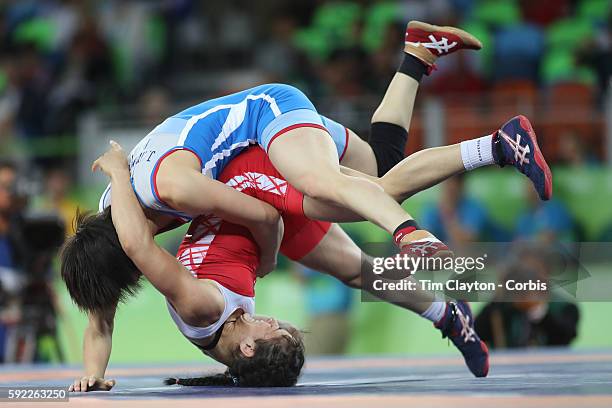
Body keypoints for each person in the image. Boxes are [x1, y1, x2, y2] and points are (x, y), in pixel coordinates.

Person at [63, 21, 553, 390]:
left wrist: (118, 168)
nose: (278, 322)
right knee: (377, 180)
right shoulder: (113, 231)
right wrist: (91, 378)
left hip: (261, 128)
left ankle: (482, 159)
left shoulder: (171, 194)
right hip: (248, 187)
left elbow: (261, 214)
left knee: (335, 191)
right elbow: (101, 315)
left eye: (276, 331)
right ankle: (418, 55)